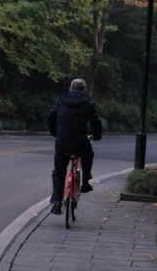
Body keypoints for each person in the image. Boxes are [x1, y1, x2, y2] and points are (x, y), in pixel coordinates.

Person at [47, 78, 102, 214]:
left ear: (70, 88)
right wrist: (97, 136)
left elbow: (50, 117)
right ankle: (85, 182)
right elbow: (96, 122)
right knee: (88, 154)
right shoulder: (87, 103)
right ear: (84, 90)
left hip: (62, 142)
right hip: (80, 142)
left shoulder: (60, 100)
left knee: (59, 171)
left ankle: (57, 201)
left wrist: (55, 132)